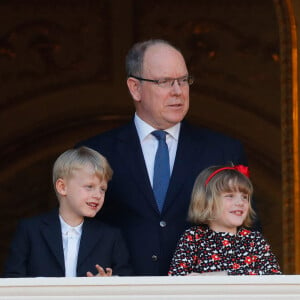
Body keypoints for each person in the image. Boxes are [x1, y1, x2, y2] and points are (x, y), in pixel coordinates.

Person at [76, 39, 258, 276]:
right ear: (135, 88)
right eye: (164, 82)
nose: (178, 91)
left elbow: (249, 232)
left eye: (183, 80)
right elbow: (75, 231)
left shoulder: (223, 151)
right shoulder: (95, 152)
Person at [3, 147, 132, 278]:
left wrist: (107, 284)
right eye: (89, 187)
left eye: (102, 189)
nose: (98, 195)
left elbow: (126, 283)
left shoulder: (110, 237)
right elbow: (12, 280)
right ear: (62, 187)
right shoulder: (30, 231)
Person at [168, 164, 281, 276]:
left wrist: (220, 275)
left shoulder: (254, 240)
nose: (240, 202)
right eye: (230, 196)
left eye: (244, 197)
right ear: (207, 201)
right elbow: (175, 280)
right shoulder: (193, 238)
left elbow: (274, 276)